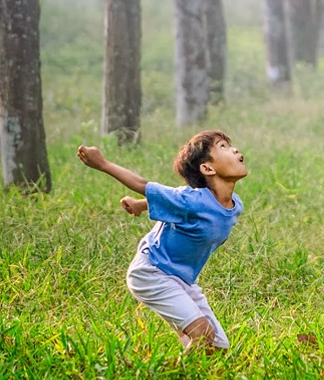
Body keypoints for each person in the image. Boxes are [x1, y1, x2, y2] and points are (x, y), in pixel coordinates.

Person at [77, 131, 247, 352]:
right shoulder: (191, 200)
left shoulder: (235, 205)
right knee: (203, 336)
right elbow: (143, 184)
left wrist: (140, 205)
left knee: (217, 347)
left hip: (182, 280)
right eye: (223, 147)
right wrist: (102, 164)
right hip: (152, 272)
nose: (234, 150)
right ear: (207, 168)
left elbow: (174, 205)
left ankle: (188, 352)